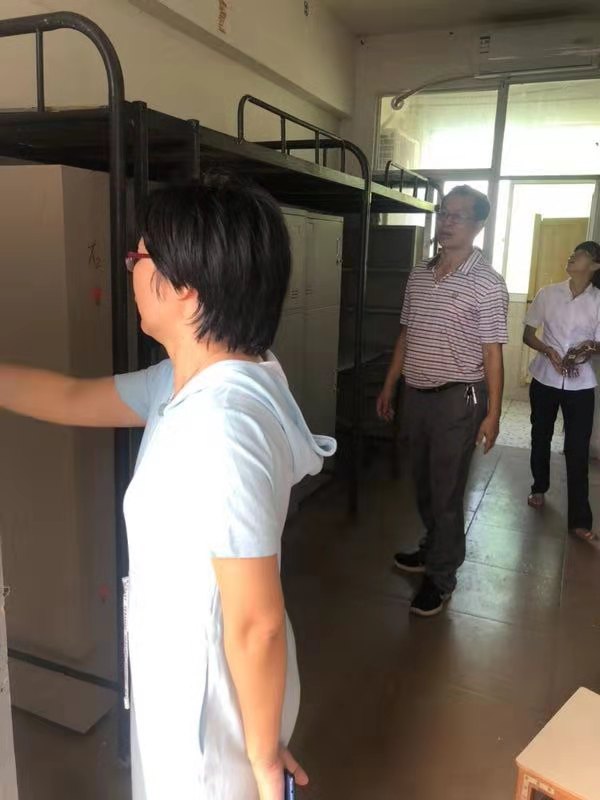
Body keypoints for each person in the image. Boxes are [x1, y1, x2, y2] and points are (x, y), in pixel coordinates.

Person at [0, 176, 336, 799]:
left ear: (185, 287)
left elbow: (256, 622)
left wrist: (263, 758)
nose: (130, 268)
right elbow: (71, 397)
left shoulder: (222, 424)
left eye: (138, 255)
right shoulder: (193, 379)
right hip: (186, 682)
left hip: (208, 720)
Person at [376, 185, 509, 617]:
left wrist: (493, 414)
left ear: (478, 225)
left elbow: (492, 354)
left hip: (458, 399)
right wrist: (390, 385)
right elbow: (406, 334)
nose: (446, 222)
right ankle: (433, 545)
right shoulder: (419, 273)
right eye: (444, 212)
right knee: (422, 483)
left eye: (457, 216)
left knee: (447, 491)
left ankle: (441, 576)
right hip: (416, 394)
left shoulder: (488, 284)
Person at [523, 240, 600, 544]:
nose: (573, 256)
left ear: (594, 265)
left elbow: (599, 343)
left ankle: (580, 520)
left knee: (577, 449)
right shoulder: (548, 293)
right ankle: (538, 487)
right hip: (545, 378)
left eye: (580, 254)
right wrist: (548, 351)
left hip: (581, 384)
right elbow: (528, 334)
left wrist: (587, 348)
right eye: (573, 252)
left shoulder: (598, 301)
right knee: (540, 434)